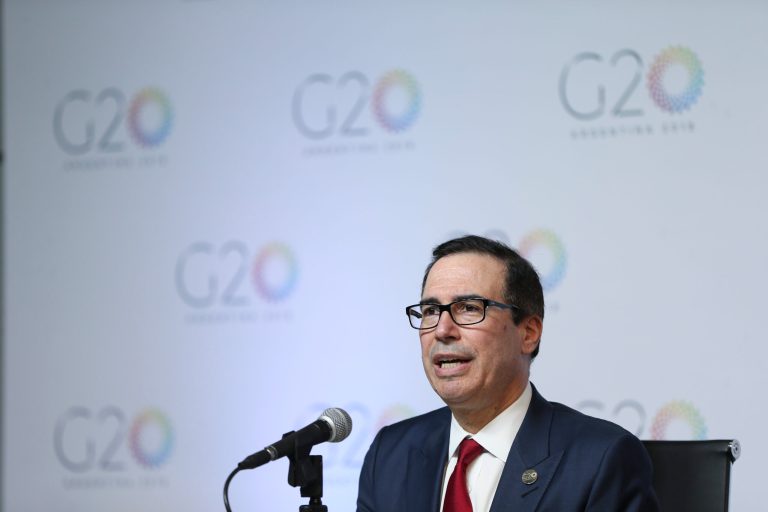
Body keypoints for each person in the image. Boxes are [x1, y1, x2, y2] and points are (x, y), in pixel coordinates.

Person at [357, 235, 659, 511]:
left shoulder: (600, 459)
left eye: (469, 308)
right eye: (431, 311)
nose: (442, 330)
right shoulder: (390, 454)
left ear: (528, 333)